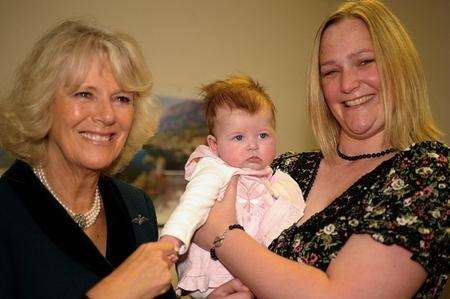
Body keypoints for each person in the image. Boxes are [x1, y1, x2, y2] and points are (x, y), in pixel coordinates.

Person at [194, 1, 449, 298]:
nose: (348, 84)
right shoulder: (286, 169)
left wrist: (221, 234)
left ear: (399, 68)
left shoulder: (428, 173)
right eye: (330, 72)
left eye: (365, 61)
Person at [0, 20, 251, 299]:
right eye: (85, 94)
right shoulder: (7, 208)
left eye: (121, 98)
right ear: (43, 102)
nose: (107, 115)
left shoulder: (136, 206)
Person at [160, 75, 305, 297]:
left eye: (263, 135)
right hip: (215, 277)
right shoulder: (214, 169)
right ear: (215, 145)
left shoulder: (281, 181)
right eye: (239, 137)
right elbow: (192, 205)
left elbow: (298, 224)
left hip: (262, 276)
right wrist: (169, 242)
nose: (253, 145)